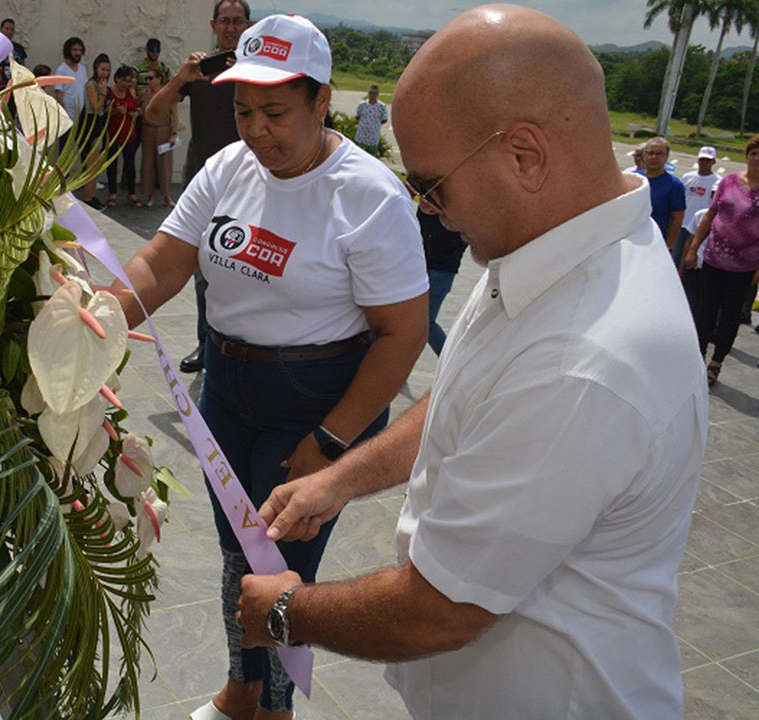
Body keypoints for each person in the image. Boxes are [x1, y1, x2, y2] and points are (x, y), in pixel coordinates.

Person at [236, 6, 708, 720]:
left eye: (431, 185)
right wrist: (339, 480)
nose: (427, 209)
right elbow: (465, 398)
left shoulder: (585, 357)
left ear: (524, 154)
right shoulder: (550, 246)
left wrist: (287, 612)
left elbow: (440, 611)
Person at [115, 15, 428, 720]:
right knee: (237, 552)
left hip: (315, 399)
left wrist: (329, 445)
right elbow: (162, 263)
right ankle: (241, 688)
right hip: (226, 389)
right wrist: (96, 319)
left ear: (323, 103)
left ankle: (276, 709)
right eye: (243, 110)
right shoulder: (229, 167)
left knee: (283, 571)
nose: (256, 130)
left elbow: (402, 336)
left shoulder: (367, 195)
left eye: (277, 112)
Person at [144, 0, 253, 374]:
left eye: (238, 20)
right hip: (202, 184)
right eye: (225, 20)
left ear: (248, 24)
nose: (231, 27)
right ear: (213, 24)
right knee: (203, 270)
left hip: (250, 186)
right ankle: (206, 345)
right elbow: (153, 114)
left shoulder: (256, 71)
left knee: (244, 270)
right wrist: (180, 78)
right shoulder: (199, 72)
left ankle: (239, 347)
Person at [683, 134, 759, 386]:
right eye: (753, 153)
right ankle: (697, 356)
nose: (757, 158)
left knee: (729, 316)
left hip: (744, 266)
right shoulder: (729, 182)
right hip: (714, 259)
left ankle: (716, 362)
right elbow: (710, 216)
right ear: (747, 156)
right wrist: (694, 247)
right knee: (706, 310)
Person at [417, 208, 466, 355]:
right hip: (420, 267)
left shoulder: (460, 212)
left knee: (425, 323)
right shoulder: (428, 208)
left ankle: (451, 361)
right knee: (412, 320)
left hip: (441, 271)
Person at [675, 145, 721, 263]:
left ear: (714, 162)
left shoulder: (718, 181)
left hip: (699, 226)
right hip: (683, 224)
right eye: (702, 159)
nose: (704, 163)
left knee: (692, 258)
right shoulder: (687, 177)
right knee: (676, 256)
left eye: (708, 160)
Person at [139, 69, 178, 208]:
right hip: (147, 130)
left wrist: (173, 133)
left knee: (165, 164)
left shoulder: (167, 93)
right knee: (148, 163)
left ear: (159, 78)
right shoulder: (143, 93)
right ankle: (149, 195)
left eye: (151, 78)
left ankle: (166, 195)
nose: (148, 81)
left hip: (163, 129)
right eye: (147, 79)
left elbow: (175, 115)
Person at [78, 54, 111, 211]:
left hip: (100, 125)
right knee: (91, 163)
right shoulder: (92, 85)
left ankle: (92, 195)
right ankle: (87, 197)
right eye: (102, 69)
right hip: (91, 125)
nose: (105, 73)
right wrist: (103, 94)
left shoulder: (102, 84)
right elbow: (96, 108)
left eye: (108, 70)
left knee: (97, 164)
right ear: (96, 69)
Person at [106, 66, 142, 208]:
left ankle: (131, 192)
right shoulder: (109, 92)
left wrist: (137, 112)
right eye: (123, 80)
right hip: (113, 133)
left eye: (128, 81)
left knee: (129, 163)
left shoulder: (131, 92)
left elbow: (136, 107)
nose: (125, 84)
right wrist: (115, 111)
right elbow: (104, 110)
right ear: (116, 79)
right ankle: (112, 193)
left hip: (128, 132)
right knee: (112, 164)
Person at [641, 136, 686, 251]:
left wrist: (668, 246)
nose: (653, 157)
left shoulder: (674, 185)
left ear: (666, 157)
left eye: (659, 153)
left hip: (656, 243)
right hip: (629, 239)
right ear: (644, 155)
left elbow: (677, 219)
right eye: (650, 153)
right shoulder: (634, 178)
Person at [0, 18, 28, 117]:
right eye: (7, 29)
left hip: (12, 90)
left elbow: (23, 67)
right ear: (1, 29)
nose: (9, 32)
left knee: (9, 117)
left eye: (12, 30)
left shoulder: (18, 49)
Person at [53, 37, 89, 122]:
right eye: (75, 50)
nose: (78, 53)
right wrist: (64, 115)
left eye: (80, 50)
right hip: (67, 117)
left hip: (81, 117)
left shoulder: (83, 69)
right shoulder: (61, 70)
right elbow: (59, 94)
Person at [354, 85, 388, 154]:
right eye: (371, 93)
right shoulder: (362, 105)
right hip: (361, 137)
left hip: (373, 139)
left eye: (375, 93)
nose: (372, 95)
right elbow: (358, 116)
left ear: (378, 95)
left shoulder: (382, 106)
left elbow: (384, 119)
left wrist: (375, 125)